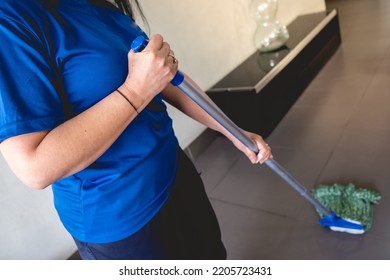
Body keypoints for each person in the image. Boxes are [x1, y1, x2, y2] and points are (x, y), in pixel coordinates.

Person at [0, 0, 272, 260]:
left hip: (174, 173)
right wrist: (136, 90)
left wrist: (231, 129)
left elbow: (165, 79)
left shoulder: (96, 5)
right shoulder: (12, 19)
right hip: (120, 219)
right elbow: (35, 167)